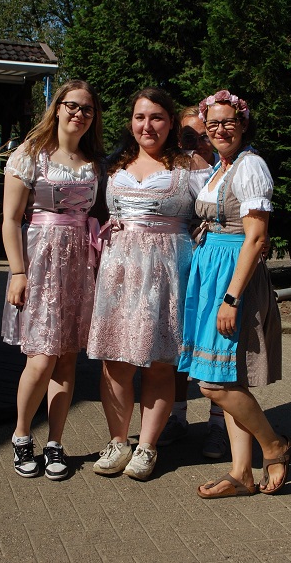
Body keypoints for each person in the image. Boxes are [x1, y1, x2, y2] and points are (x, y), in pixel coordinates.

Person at [87, 87, 210, 481]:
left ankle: (147, 447)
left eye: (156, 117)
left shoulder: (190, 167)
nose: (147, 125)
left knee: (159, 362)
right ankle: (119, 441)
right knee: (115, 361)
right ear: (131, 122)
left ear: (171, 122)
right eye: (140, 117)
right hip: (119, 271)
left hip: (167, 271)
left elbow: (222, 204)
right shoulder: (112, 164)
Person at [178, 89, 291, 498]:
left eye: (229, 121)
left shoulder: (251, 166)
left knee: (213, 384)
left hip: (232, 276)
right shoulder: (220, 168)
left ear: (243, 123)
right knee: (226, 377)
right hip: (212, 271)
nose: (220, 129)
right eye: (213, 124)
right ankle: (242, 472)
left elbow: (257, 237)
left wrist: (231, 297)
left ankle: (273, 445)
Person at [1, 79, 104, 480]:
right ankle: (22, 435)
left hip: (80, 262)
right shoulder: (30, 155)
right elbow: (11, 218)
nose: (79, 114)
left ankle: (55, 442)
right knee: (41, 357)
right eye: (73, 106)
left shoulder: (94, 162)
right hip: (40, 259)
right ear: (58, 108)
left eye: (88, 109)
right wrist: (17, 270)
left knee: (67, 358)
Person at [157, 106, 227, 460]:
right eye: (189, 136)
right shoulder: (171, 165)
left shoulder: (227, 166)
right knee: (175, 342)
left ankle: (218, 425)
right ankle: (178, 417)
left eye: (204, 135)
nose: (198, 142)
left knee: (215, 343)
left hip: (214, 265)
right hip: (178, 261)